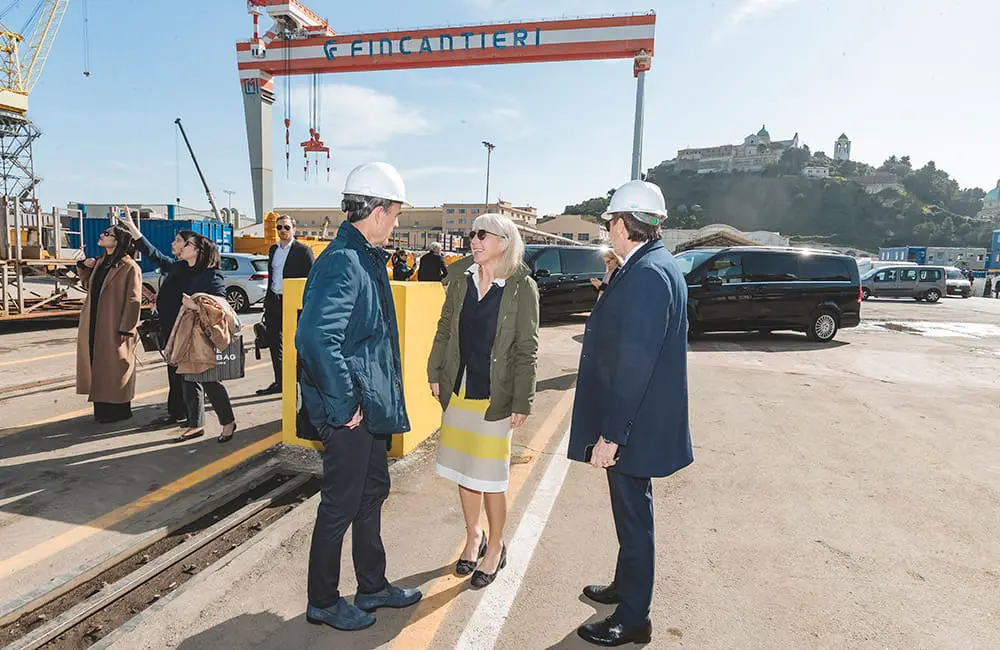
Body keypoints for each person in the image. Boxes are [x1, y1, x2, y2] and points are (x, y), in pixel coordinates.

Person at [296, 162, 422, 632]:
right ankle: (323, 601)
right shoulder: (344, 261)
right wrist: (346, 404)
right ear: (378, 210)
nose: (396, 223)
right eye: (396, 213)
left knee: (371, 492)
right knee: (340, 505)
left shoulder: (364, 256)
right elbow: (314, 339)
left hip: (366, 409)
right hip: (349, 412)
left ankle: (372, 586)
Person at [567, 180, 693, 647]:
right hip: (640, 420)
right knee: (631, 513)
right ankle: (626, 587)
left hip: (634, 425)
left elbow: (635, 363)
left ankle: (634, 618)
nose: (608, 231)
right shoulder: (652, 265)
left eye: (610, 223)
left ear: (622, 224)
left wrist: (612, 435)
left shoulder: (647, 274)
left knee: (634, 519)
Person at [427, 214, 539, 589]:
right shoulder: (462, 280)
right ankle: (474, 535)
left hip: (495, 396)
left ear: (504, 242)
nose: (473, 240)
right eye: (471, 234)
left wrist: (522, 399)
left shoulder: (522, 287)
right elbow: (444, 330)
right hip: (459, 391)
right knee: (464, 472)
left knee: (490, 478)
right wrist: (434, 372)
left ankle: (495, 547)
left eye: (481, 235)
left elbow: (527, 348)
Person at [118, 209, 237, 444]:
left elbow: (221, 305)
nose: (181, 247)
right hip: (182, 334)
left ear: (198, 250)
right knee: (187, 380)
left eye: (186, 244)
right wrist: (133, 229)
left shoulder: (212, 276)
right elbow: (154, 255)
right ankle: (195, 425)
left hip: (201, 337)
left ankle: (228, 422)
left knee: (210, 382)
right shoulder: (181, 268)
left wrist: (196, 305)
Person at [75, 224, 142, 423]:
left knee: (116, 367)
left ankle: (119, 410)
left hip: (115, 324)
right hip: (94, 321)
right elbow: (89, 287)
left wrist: (127, 328)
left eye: (107, 234)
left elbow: (133, 300)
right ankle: (102, 410)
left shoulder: (129, 266)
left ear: (118, 240)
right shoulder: (101, 262)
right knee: (98, 364)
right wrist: (83, 267)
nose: (102, 235)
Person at [256, 214, 314, 396]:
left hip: (294, 304)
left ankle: (299, 384)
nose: (282, 230)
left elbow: (311, 281)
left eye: (286, 227)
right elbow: (273, 277)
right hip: (274, 302)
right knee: (275, 345)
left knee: (295, 346)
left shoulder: (303, 251)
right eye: (279, 227)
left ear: (293, 229)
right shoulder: (273, 250)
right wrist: (267, 302)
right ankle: (280, 382)